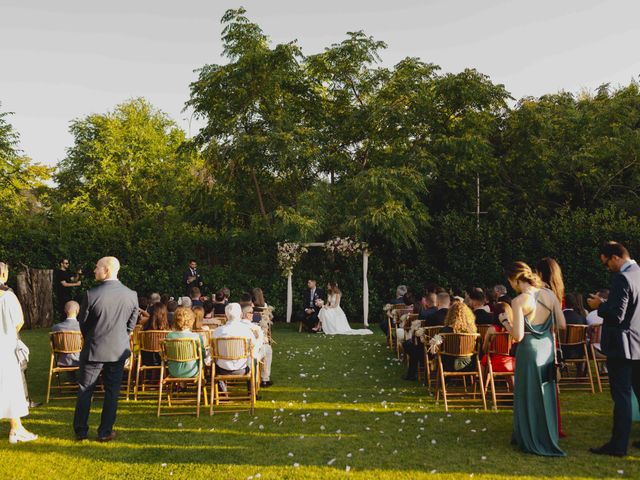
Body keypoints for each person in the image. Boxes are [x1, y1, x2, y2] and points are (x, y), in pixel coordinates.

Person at [73, 257, 138, 442]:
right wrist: (118, 337)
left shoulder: (91, 294)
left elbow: (83, 324)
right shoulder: (131, 295)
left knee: (86, 389)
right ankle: (105, 431)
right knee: (112, 391)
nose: (94, 270)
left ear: (106, 270)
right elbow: (130, 326)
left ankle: (81, 430)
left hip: (94, 347)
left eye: (97, 267)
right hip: (117, 349)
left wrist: (92, 337)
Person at [507, 261, 566, 457]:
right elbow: (562, 324)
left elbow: (518, 336)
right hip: (547, 348)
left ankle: (528, 436)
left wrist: (505, 322)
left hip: (529, 350)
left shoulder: (519, 300)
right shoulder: (549, 294)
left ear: (514, 279)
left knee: (527, 393)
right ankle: (547, 435)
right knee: (545, 391)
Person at [588, 241, 640, 457]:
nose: (607, 268)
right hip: (638, 343)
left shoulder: (622, 278)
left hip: (622, 346)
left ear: (615, 257)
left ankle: (618, 445)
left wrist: (599, 306)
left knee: (622, 396)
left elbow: (617, 316)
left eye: (606, 263)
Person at [0, 262, 38, 444]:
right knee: (10, 386)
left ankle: (18, 426)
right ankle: (16, 428)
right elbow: (19, 321)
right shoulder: (7, 297)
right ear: (4, 275)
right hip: (5, 347)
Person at [535, 256, 567, 438]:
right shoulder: (557, 294)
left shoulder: (540, 294)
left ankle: (540, 423)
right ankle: (554, 423)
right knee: (550, 384)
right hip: (551, 340)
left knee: (539, 383)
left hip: (541, 339)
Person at [211, 303, 255, 375]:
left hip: (222, 368)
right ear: (241, 314)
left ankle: (221, 385)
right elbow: (253, 345)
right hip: (242, 367)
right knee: (254, 359)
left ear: (226, 315)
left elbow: (212, 349)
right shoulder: (246, 330)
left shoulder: (217, 331)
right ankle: (251, 385)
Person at [165, 307, 206, 378]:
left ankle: (182, 385)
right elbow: (203, 355)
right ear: (191, 321)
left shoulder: (169, 336)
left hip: (173, 371)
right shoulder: (196, 336)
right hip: (192, 370)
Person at [439, 301, 478, 372]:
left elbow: (439, 348)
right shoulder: (472, 333)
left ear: (450, 315)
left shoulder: (445, 331)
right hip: (469, 364)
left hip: (449, 365)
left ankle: (445, 380)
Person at [241, 304, 273, 387]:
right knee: (267, 348)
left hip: (228, 362)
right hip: (248, 359)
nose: (253, 314)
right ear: (245, 314)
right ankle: (265, 379)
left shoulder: (230, 328)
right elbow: (258, 345)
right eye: (251, 312)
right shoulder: (254, 328)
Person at [51, 300, 82, 368]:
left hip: (63, 361)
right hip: (80, 360)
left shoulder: (56, 328)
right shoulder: (82, 327)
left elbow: (53, 346)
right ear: (78, 311)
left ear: (65, 311)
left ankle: (72, 376)